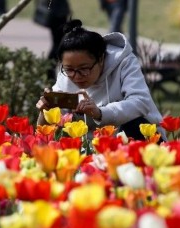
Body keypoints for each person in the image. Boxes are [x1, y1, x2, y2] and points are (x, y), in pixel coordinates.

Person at [36, 19, 165, 141]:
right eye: (69, 69)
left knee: (134, 124)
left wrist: (100, 113)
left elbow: (140, 102)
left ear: (101, 58)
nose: (76, 76)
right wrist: (46, 112)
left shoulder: (124, 62)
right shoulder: (66, 75)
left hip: (138, 139)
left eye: (84, 68)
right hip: (92, 148)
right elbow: (55, 125)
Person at [32, 0, 72, 80]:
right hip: (56, 12)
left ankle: (49, 71)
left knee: (58, 43)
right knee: (58, 44)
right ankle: (49, 71)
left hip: (57, 11)